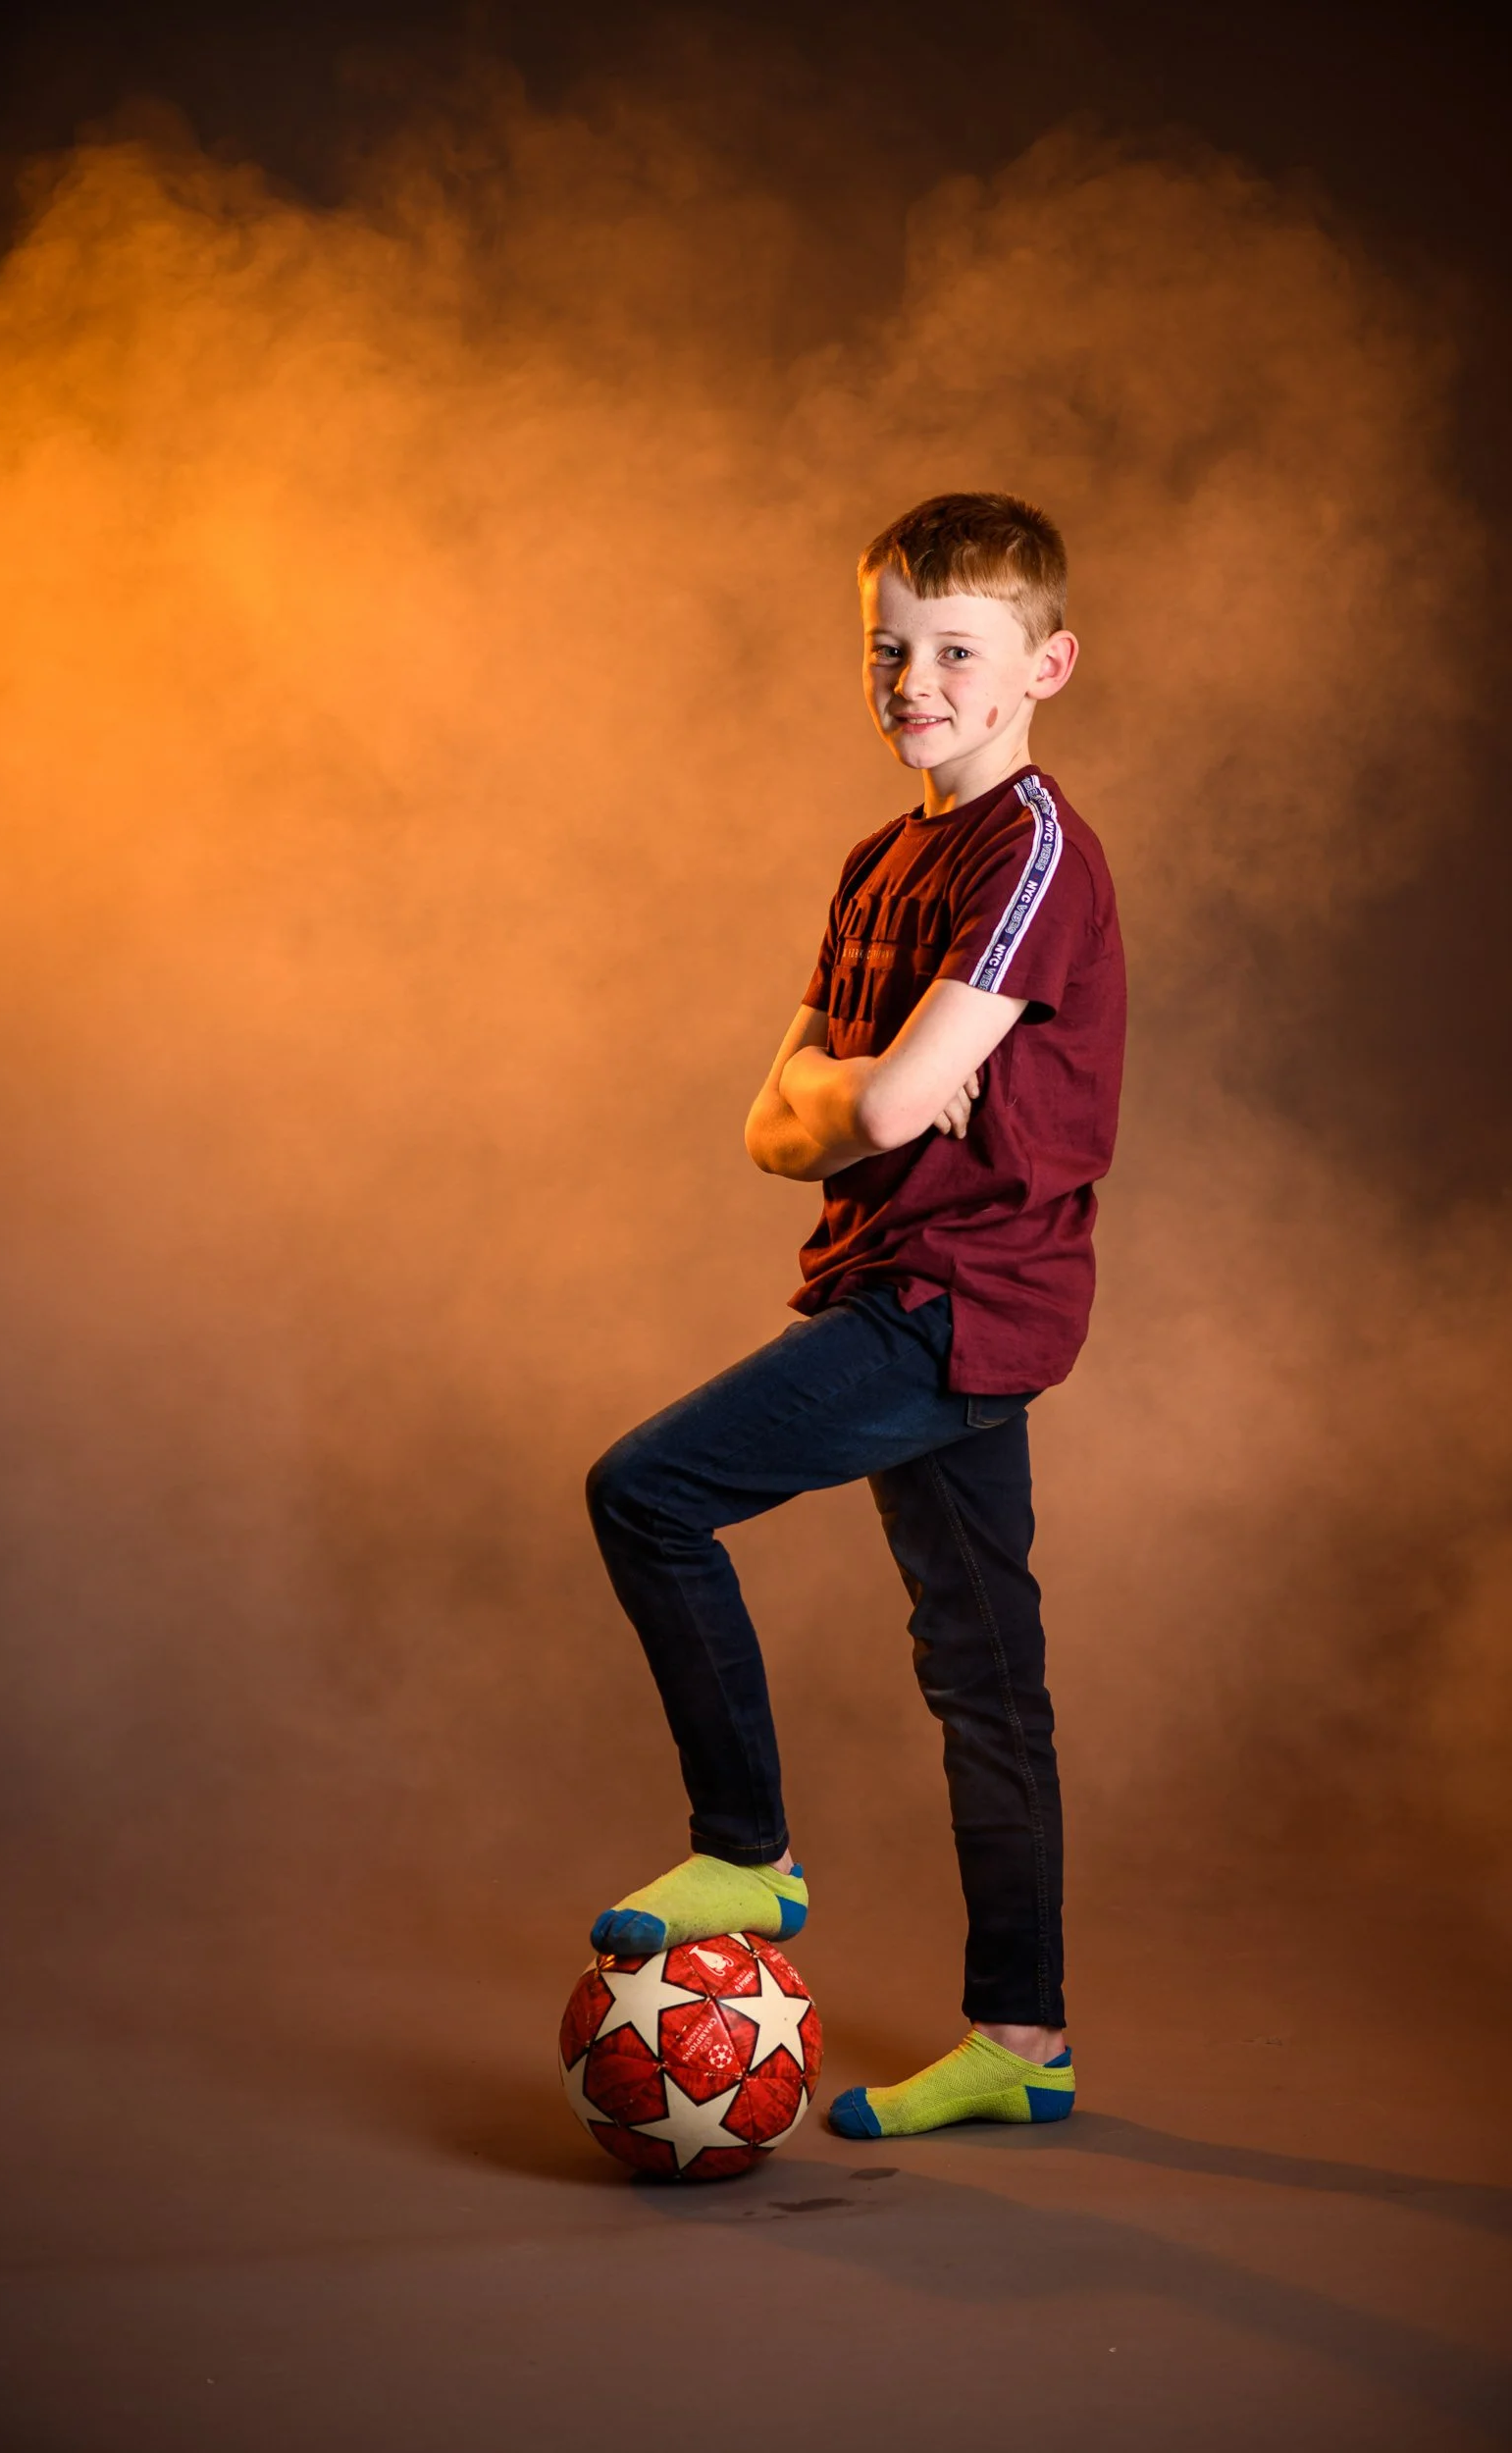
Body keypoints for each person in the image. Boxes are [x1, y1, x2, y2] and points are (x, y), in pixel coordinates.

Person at [584, 491, 1126, 2137]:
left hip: (957, 1303)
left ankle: (746, 1854)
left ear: (1045, 664)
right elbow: (781, 1125)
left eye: (957, 650)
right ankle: (1022, 2045)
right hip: (891, 1280)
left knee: (646, 1490)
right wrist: (867, 1092)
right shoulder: (877, 861)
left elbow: (872, 1116)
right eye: (889, 649)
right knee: (985, 1679)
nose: (915, 681)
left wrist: (864, 1096)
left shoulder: (1035, 851)